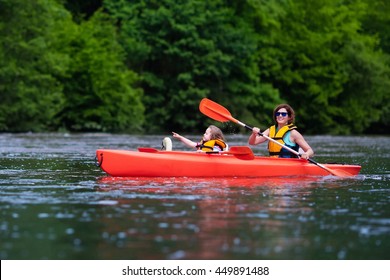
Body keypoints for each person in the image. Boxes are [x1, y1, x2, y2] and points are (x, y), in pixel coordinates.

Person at [248, 104, 314, 159]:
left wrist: (306, 154)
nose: (280, 116)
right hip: (273, 162)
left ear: (289, 117)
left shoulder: (293, 133)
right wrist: (254, 134)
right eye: (278, 114)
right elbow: (252, 142)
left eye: (283, 114)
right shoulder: (270, 130)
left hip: (289, 164)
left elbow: (310, 151)